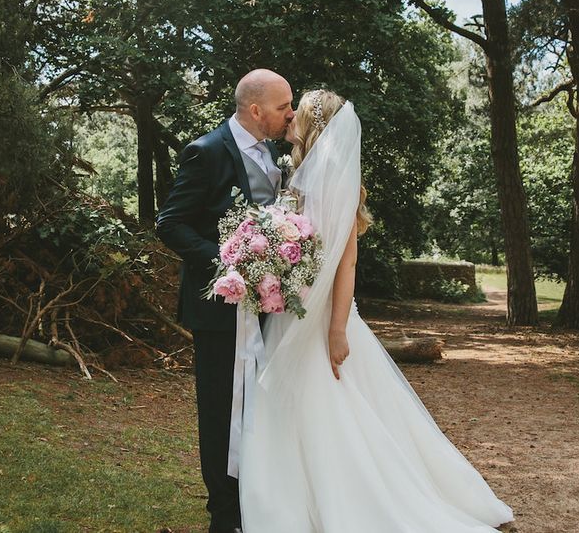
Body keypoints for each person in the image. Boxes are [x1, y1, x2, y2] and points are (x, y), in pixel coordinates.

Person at [238, 89, 514, 532]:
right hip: (289, 310)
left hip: (321, 315)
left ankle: (342, 501)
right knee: (288, 405)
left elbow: (345, 262)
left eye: (297, 112)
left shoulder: (331, 177)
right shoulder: (294, 172)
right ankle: (290, 500)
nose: (288, 117)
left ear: (314, 125)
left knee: (326, 407)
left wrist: (337, 329)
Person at [156, 69, 294, 533]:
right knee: (219, 411)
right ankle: (224, 516)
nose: (289, 115)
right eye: (282, 107)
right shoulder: (206, 152)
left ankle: (254, 502)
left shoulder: (274, 151)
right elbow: (170, 223)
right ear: (255, 110)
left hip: (266, 308)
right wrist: (227, 261)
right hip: (219, 309)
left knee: (259, 408)